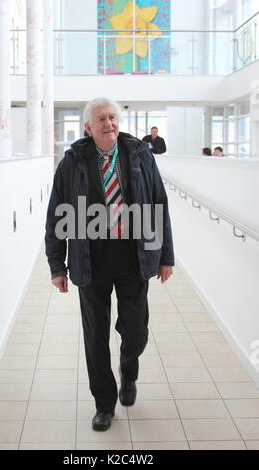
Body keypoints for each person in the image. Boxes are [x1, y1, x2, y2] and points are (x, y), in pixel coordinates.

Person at [45, 97, 174, 432]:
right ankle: (104, 404)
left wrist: (166, 256)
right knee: (96, 337)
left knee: (135, 331)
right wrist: (57, 266)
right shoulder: (72, 161)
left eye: (113, 117)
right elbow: (57, 213)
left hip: (134, 255)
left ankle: (128, 372)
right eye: (101, 118)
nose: (109, 123)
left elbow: (159, 204)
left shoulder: (140, 156)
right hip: (91, 258)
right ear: (88, 127)